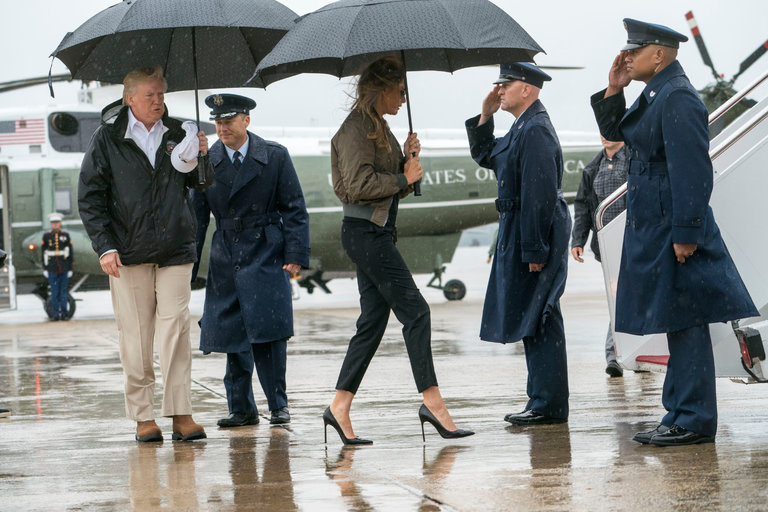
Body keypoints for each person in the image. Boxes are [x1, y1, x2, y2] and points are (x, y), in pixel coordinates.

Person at [591, 19, 758, 446]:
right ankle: (679, 414)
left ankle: (694, 420)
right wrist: (615, 88)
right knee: (675, 319)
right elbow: (620, 134)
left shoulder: (678, 96)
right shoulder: (657, 92)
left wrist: (687, 232)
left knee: (687, 320)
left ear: (659, 54)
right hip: (656, 219)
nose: (627, 56)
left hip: (671, 223)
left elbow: (693, 171)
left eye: (635, 50)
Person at [325, 56, 473, 445]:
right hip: (365, 234)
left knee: (372, 323)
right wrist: (401, 176)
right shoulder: (356, 128)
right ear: (381, 89)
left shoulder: (377, 127)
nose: (404, 98)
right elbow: (357, 186)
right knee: (417, 312)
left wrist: (407, 161)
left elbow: (388, 183)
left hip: (375, 233)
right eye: (400, 91)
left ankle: (338, 407)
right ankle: (433, 403)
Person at [78, 66, 214, 443]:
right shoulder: (107, 139)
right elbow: (89, 197)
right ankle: (143, 417)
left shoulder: (178, 133)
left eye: (161, 94)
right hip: (127, 252)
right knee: (136, 338)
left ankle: (181, 413)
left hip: (175, 248)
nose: (158, 101)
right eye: (150, 95)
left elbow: (201, 185)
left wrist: (201, 157)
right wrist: (104, 245)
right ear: (130, 98)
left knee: (176, 331)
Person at [192, 93, 310, 428]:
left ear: (246, 120)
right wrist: (188, 264)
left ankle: (278, 405)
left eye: (228, 120)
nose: (222, 127)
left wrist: (295, 255)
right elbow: (196, 219)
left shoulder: (274, 156)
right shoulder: (205, 160)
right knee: (233, 335)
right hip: (226, 254)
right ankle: (241, 409)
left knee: (269, 333)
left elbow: (295, 209)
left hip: (266, 251)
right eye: (217, 122)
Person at [466, 62, 571, 426]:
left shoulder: (536, 129)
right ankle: (542, 399)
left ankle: (548, 404)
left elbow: (539, 195)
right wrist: (485, 115)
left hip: (533, 227)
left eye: (505, 84)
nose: (499, 90)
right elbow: (487, 156)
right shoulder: (522, 126)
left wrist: (534, 250)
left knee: (540, 315)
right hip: (521, 226)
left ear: (527, 88)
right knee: (533, 316)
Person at [570, 136, 630, 377]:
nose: (604, 136)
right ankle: (615, 355)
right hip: (606, 245)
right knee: (618, 298)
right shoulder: (592, 168)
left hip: (636, 240)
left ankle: (630, 350)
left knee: (634, 296)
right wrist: (578, 240)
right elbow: (583, 206)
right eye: (602, 131)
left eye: (610, 130)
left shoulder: (634, 159)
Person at [41, 212, 74, 321]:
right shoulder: (46, 236)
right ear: (51, 224)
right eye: (53, 223)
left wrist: (70, 268)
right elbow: (43, 252)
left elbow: (70, 253)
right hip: (52, 268)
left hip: (64, 268)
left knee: (63, 292)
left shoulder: (65, 235)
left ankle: (64, 314)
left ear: (60, 223)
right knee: (54, 293)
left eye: (57, 222)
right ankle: (55, 315)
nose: (55, 224)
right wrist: (44, 268)